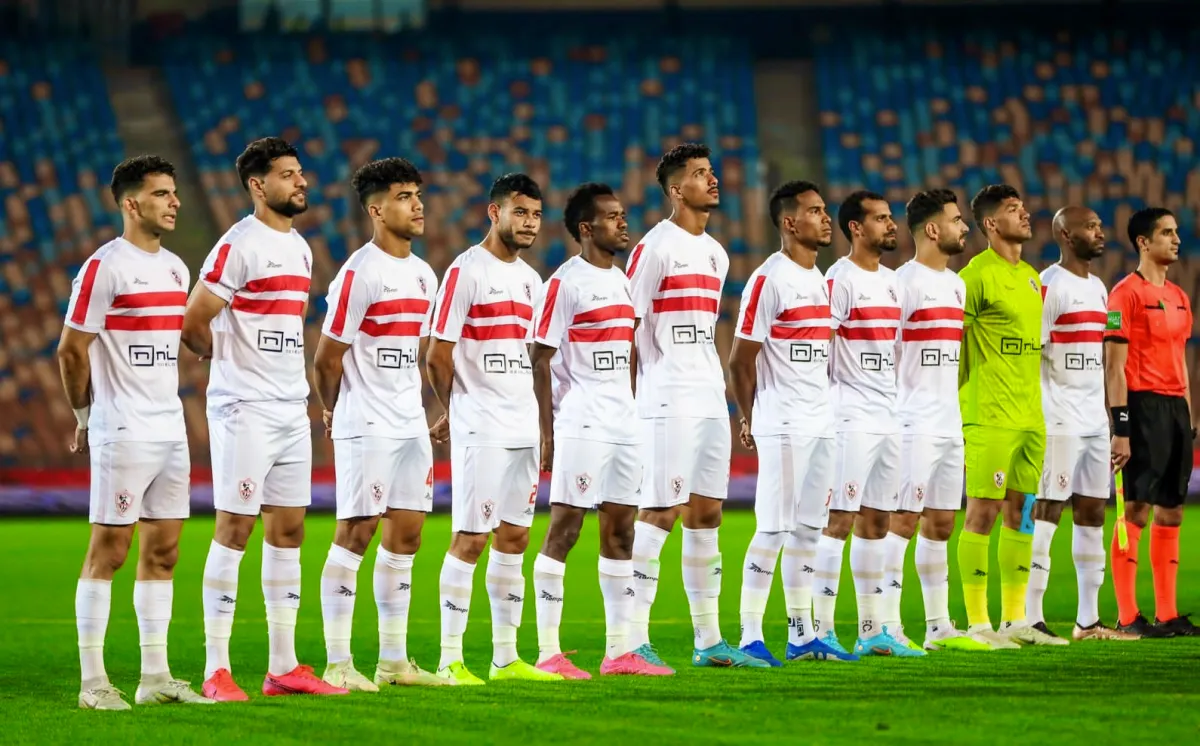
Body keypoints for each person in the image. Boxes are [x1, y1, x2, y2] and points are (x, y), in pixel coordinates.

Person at [182, 137, 348, 700]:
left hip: (289, 407)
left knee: (289, 529)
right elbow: (194, 320)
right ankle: (216, 669)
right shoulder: (238, 245)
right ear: (258, 185)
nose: (301, 182)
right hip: (245, 408)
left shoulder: (299, 248)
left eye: (300, 172)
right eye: (288, 174)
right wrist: (229, 360)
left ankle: (283, 666)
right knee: (235, 528)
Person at [61, 156, 213, 709]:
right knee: (110, 550)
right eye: (162, 194)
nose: (175, 202)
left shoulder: (175, 268)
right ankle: (93, 683)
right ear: (131, 203)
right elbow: (71, 350)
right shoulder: (103, 268)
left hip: (169, 427)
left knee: (164, 552)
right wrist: (85, 416)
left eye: (174, 192)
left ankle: (155, 678)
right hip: (122, 427)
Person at [625, 142, 766, 669]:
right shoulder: (653, 249)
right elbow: (627, 330)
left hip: (708, 397)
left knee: (707, 514)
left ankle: (708, 641)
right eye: (700, 173)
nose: (712, 179)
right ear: (675, 189)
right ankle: (631, 640)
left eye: (711, 171)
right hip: (665, 397)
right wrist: (628, 402)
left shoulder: (717, 253)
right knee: (659, 510)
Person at [313, 158, 448, 690]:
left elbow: (419, 352)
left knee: (407, 534)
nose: (417, 205)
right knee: (357, 532)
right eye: (403, 197)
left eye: (418, 195)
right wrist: (332, 409)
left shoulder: (423, 274)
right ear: (376, 210)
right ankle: (338, 663)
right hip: (366, 421)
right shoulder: (359, 273)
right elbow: (327, 358)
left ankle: (393, 662)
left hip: (409, 422)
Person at [529, 183, 673, 678]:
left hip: (622, 422)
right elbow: (538, 358)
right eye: (612, 217)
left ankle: (619, 652)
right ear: (587, 229)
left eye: (623, 214)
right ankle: (548, 653)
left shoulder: (624, 283)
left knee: (621, 532)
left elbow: (627, 353)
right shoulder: (564, 284)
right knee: (565, 530)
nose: (623, 223)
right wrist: (547, 432)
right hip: (581, 421)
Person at [426, 173, 563, 684]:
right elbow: (437, 355)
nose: (529, 223)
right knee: (471, 538)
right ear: (494, 212)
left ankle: (506, 658)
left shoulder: (532, 281)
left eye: (536, 215)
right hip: (481, 427)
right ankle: (449, 659)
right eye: (519, 212)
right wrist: (457, 407)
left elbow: (530, 360)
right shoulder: (465, 271)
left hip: (522, 425)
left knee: (515, 537)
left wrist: (542, 428)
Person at [730, 181, 857, 665]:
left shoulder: (819, 278)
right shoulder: (769, 279)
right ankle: (749, 635)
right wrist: (750, 416)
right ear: (789, 222)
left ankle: (802, 635)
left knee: (809, 530)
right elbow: (740, 360)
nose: (825, 218)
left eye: (825, 210)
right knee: (773, 530)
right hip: (783, 422)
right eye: (815, 211)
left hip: (821, 421)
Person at [815, 190, 922, 658]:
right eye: (880, 219)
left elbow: (893, 351)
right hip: (849, 415)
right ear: (856, 228)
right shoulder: (838, 280)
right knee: (838, 519)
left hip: (887, 415)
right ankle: (821, 630)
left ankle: (870, 630)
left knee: (878, 520)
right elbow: (821, 347)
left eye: (890, 217)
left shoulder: (895, 283)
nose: (891, 225)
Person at [1026, 207, 1138, 641]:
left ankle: (1087, 621)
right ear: (1065, 235)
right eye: (1090, 227)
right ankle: (1031, 615)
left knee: (1092, 513)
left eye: (1099, 225)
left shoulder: (1099, 288)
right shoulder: (1048, 285)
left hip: (1093, 421)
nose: (1100, 232)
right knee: (1048, 510)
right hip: (1058, 418)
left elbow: (1107, 360)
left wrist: (1114, 423)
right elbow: (1032, 354)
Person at [889, 189, 991, 652]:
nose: (964, 227)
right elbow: (886, 353)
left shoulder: (956, 286)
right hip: (911, 421)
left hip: (949, 422)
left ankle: (937, 627)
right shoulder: (902, 284)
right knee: (902, 522)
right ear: (932, 229)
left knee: (942, 523)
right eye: (956, 220)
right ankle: (886, 626)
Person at [956, 184, 1058, 648]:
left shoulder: (1033, 278)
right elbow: (956, 348)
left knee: (1024, 513)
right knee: (982, 513)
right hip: (989, 414)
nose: (1025, 214)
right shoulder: (974, 276)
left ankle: (1016, 620)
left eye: (1023, 207)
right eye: (1014, 210)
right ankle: (978, 623)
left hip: (1030, 416)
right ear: (991, 224)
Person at [1106, 207, 1199, 638]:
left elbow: (1180, 359)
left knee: (1172, 510)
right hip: (1141, 407)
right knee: (1136, 509)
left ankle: (1168, 613)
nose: (1176, 239)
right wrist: (1121, 427)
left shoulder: (1179, 296)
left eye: (1176, 232)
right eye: (1166, 233)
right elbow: (1114, 367)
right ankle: (1128, 617)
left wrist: (1188, 416)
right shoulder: (1124, 294)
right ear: (1143, 242)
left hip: (1175, 410)